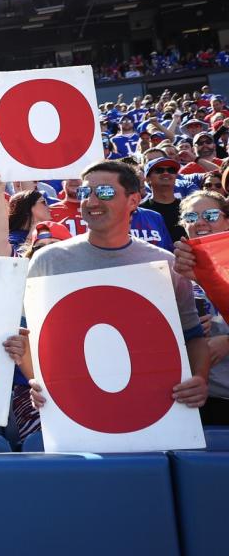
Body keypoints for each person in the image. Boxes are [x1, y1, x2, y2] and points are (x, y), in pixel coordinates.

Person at [24, 160, 209, 412]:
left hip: (151, 406)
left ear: (133, 201)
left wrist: (199, 377)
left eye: (105, 193)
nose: (91, 202)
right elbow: (29, 335)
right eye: (85, 193)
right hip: (73, 406)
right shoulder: (48, 261)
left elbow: (192, 335)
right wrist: (36, 379)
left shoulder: (165, 264)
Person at [175, 191, 229, 426]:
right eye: (190, 216)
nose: (199, 222)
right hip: (200, 397)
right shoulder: (172, 268)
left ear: (227, 220)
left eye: (210, 214)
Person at [140, 156, 185, 244]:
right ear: (148, 179)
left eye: (171, 170)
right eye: (159, 170)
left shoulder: (187, 208)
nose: (166, 173)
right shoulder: (139, 212)